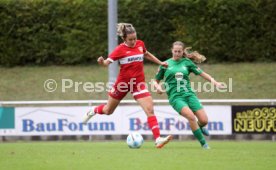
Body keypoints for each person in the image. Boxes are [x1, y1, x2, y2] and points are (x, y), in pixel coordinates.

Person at [83, 23, 172, 148]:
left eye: (135, 38)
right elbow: (107, 63)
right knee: (108, 110)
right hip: (123, 84)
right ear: (124, 39)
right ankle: (93, 110)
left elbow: (146, 54)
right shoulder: (120, 49)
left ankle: (158, 139)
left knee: (150, 109)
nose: (133, 41)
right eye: (130, 39)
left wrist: (160, 62)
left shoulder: (140, 44)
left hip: (138, 84)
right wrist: (102, 62)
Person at [154, 41, 224, 149]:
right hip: (176, 98)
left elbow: (202, 73)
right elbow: (155, 81)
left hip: (189, 95)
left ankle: (199, 127)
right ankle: (204, 144)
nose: (177, 53)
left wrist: (215, 82)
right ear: (171, 50)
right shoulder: (165, 65)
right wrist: (157, 87)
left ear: (182, 52)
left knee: (204, 120)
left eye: (179, 51)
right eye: (175, 51)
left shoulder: (187, 62)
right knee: (191, 117)